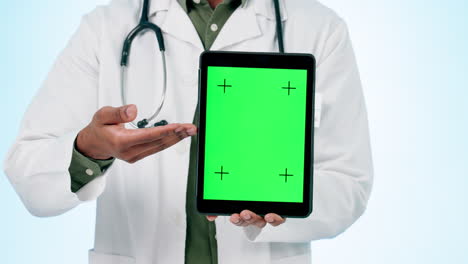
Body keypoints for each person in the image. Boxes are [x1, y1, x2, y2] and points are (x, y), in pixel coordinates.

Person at [3, 0, 373, 263]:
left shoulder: (319, 28)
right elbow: (29, 174)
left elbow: (348, 183)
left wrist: (281, 203)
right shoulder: (106, 27)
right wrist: (89, 150)